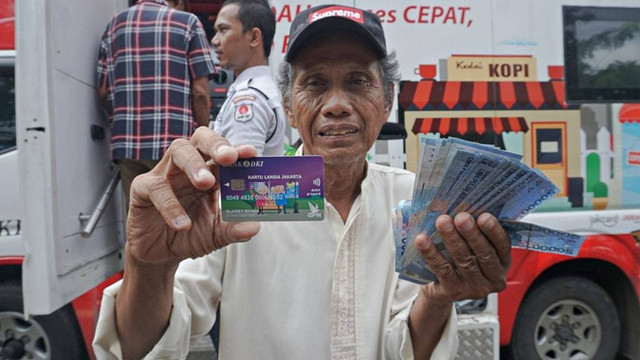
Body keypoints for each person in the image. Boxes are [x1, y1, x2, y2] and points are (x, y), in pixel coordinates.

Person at [93, 5, 512, 360]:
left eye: (358, 82)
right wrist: (149, 266)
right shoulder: (245, 195)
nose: (336, 105)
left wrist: (439, 297)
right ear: (290, 109)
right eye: (314, 83)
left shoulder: (412, 198)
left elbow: (401, 346)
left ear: (385, 104)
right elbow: (139, 347)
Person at [96, 0, 216, 208]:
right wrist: (203, 133)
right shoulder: (188, 22)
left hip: (128, 146)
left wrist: (119, 121)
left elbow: (103, 90)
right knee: (179, 218)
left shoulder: (114, 25)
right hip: (174, 146)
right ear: (177, 2)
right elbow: (200, 93)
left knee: (140, 219)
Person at [209, 0, 285, 156]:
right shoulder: (260, 89)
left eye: (223, 29)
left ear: (254, 37)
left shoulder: (248, 98)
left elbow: (242, 175)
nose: (215, 40)